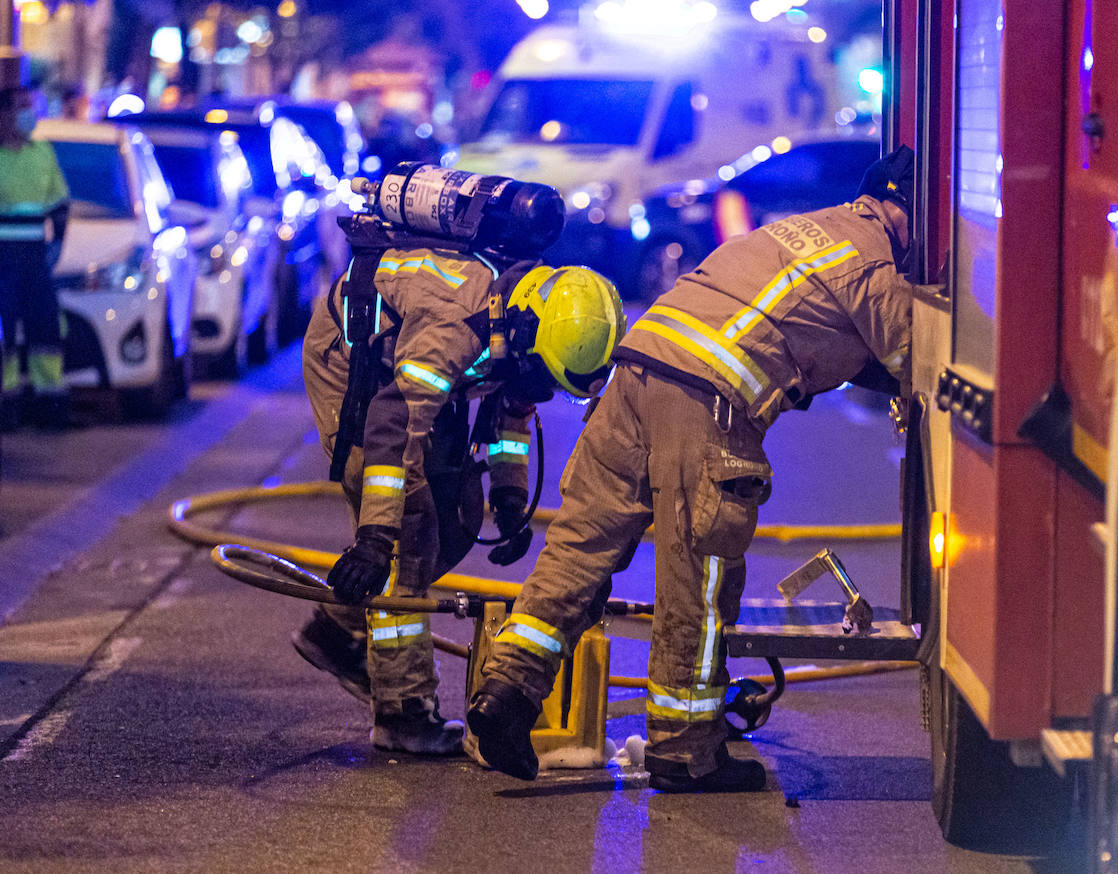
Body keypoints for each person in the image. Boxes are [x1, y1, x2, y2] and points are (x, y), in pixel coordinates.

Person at [467, 147, 917, 791]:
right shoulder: (870, 261)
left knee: (581, 542)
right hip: (703, 400)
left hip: (636, 371)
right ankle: (685, 750)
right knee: (698, 573)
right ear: (903, 213)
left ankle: (506, 693)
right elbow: (915, 359)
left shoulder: (799, 229)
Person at [295, 248, 625, 755]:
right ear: (524, 334)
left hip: (405, 367)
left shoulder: (530, 325)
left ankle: (334, 633)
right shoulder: (458, 328)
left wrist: (510, 498)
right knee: (411, 528)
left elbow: (512, 408)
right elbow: (391, 423)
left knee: (459, 514)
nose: (542, 391)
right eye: (543, 377)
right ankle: (403, 715)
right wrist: (375, 537)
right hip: (350, 361)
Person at [0, 85, 70, 430]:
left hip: (34, 258)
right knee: (5, 333)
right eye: (21, 107)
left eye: (31, 106)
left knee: (46, 328)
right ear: (4, 115)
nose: (29, 113)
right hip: (3, 259)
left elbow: (59, 203)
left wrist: (56, 244)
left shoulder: (43, 153)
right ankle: (7, 403)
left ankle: (50, 399)